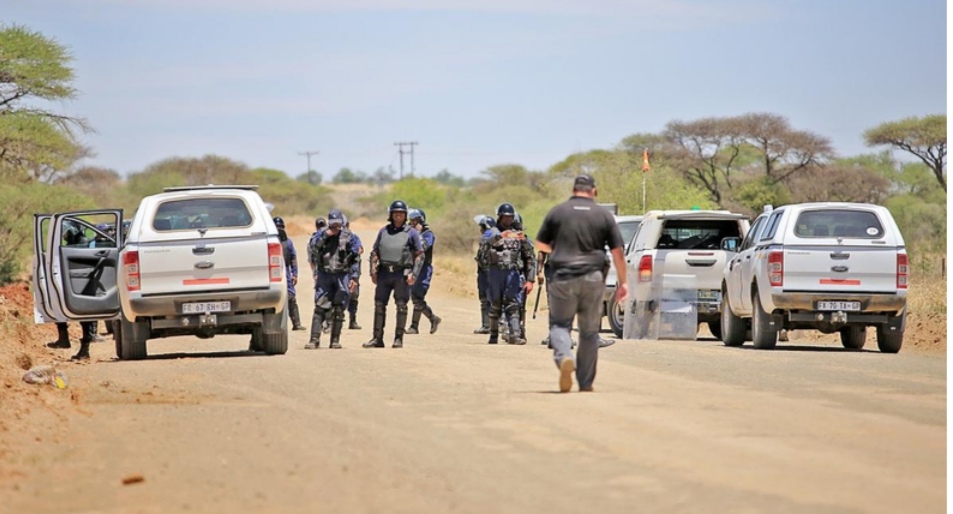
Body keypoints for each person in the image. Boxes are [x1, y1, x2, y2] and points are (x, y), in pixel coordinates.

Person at [534, 174, 627, 393]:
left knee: (559, 325)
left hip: (562, 277)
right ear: (594, 191)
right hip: (593, 278)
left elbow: (540, 243)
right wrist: (623, 283)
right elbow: (618, 253)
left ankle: (565, 357)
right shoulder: (603, 215)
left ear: (574, 190)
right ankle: (585, 383)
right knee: (588, 331)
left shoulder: (558, 212)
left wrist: (559, 251)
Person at [364, 200, 424, 349]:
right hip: (384, 273)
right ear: (391, 214)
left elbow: (419, 255)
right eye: (396, 213)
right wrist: (372, 270)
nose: (398, 216)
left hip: (401, 274)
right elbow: (375, 252)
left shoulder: (412, 233)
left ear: (405, 215)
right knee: (379, 306)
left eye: (401, 213)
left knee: (401, 306)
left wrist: (414, 274)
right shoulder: (383, 231)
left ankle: (398, 339)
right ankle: (377, 339)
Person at [306, 209, 361, 349]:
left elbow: (356, 257)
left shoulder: (350, 236)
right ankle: (314, 340)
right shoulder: (321, 234)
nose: (335, 227)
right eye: (333, 224)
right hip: (325, 275)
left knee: (339, 308)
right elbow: (313, 248)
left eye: (338, 224)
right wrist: (326, 236)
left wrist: (354, 277)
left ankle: (335, 340)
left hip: (342, 275)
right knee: (320, 307)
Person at [483, 202, 536, 345]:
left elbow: (530, 257)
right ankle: (493, 335)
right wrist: (500, 236)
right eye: (505, 217)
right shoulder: (493, 232)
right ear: (499, 217)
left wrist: (530, 280)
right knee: (495, 304)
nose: (508, 220)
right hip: (495, 272)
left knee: (513, 304)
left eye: (510, 217)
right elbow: (483, 249)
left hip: (512, 272)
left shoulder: (519, 235)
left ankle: (515, 335)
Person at [405, 208, 442, 335]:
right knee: (415, 297)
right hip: (413, 267)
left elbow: (424, 247)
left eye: (414, 221)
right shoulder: (410, 233)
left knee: (417, 296)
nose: (411, 223)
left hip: (424, 269)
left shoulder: (428, 234)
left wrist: (418, 234)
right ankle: (430, 320)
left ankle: (416, 325)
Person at [274, 217, 305, 331]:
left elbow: (293, 258)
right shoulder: (270, 242)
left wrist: (295, 274)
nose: (279, 230)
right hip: (274, 272)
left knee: (291, 298)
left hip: (286, 272)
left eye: (280, 227)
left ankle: (296, 324)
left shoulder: (288, 242)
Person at [473, 215, 495, 334]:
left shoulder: (489, 235)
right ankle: (487, 325)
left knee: (488, 298)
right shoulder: (492, 234)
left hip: (487, 271)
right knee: (486, 298)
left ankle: (489, 325)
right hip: (484, 271)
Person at [344, 218, 364, 330]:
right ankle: (330, 322)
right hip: (339, 272)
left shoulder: (354, 237)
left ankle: (353, 320)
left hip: (353, 272)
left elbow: (360, 250)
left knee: (354, 297)